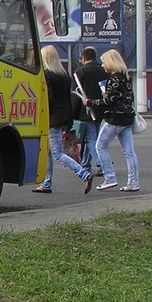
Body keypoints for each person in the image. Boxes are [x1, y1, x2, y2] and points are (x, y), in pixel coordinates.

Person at [34, 45, 94, 194]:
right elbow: (68, 98)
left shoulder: (47, 75)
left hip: (51, 118)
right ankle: (46, 183)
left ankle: (84, 174)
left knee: (57, 154)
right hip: (62, 116)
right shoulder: (63, 74)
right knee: (47, 152)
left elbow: (49, 99)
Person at [83, 49, 140, 192]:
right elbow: (128, 98)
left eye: (104, 63)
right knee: (129, 151)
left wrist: (90, 102)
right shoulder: (126, 77)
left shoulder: (113, 79)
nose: (102, 66)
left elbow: (108, 101)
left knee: (100, 146)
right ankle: (133, 182)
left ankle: (110, 178)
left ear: (110, 63)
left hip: (114, 118)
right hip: (127, 117)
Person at [72, 46, 106, 175]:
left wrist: (73, 114)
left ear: (84, 58)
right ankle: (85, 164)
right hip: (100, 109)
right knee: (92, 137)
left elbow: (76, 94)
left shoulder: (80, 72)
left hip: (86, 111)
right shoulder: (103, 71)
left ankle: (101, 164)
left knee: (91, 139)